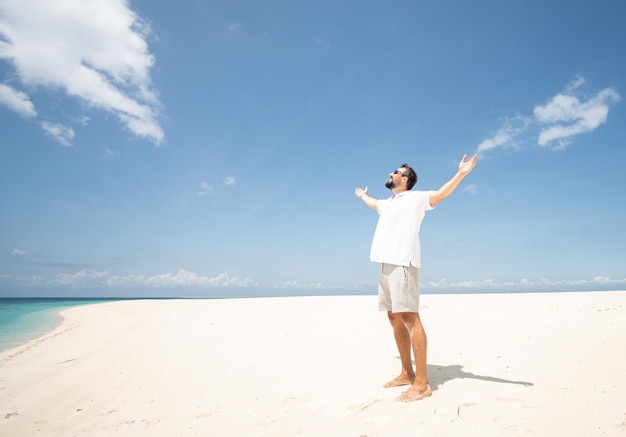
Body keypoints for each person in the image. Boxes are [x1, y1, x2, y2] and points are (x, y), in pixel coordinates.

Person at [354, 154, 477, 402]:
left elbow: (442, 193)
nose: (391, 174)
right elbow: (373, 203)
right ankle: (407, 373)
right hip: (385, 264)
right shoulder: (388, 204)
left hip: (403, 263)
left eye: (396, 172)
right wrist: (362, 196)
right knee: (393, 316)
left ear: (406, 179)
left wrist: (461, 173)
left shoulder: (416, 198)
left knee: (410, 317)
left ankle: (422, 384)